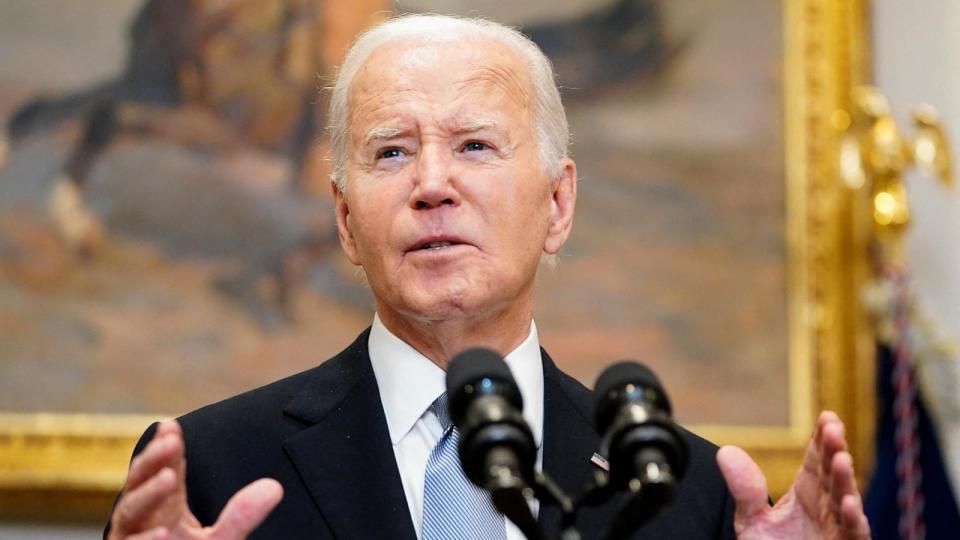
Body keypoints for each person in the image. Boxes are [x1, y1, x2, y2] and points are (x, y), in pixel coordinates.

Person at [105, 14, 871, 540]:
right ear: (345, 220)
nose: (433, 184)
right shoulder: (215, 468)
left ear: (559, 203)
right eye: (392, 153)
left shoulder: (687, 493)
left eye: (474, 146)